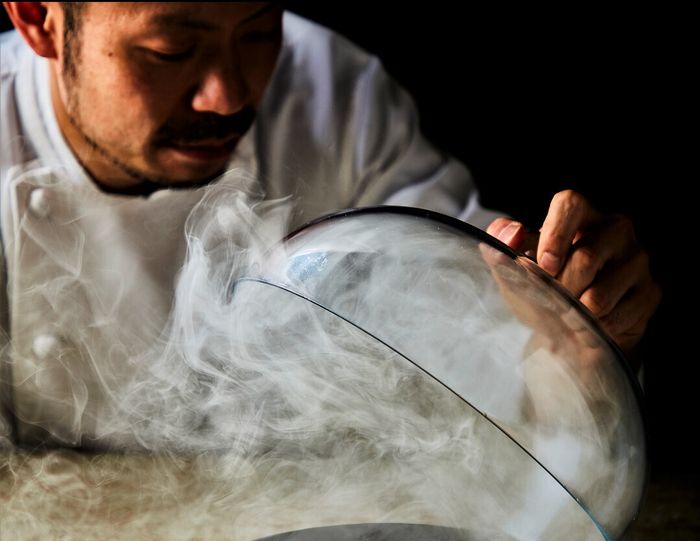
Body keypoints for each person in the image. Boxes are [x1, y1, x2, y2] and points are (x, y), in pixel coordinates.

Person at [0, 2, 660, 450]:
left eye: (258, 34)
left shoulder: (333, 97)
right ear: (38, 20)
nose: (229, 96)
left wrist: (575, 353)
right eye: (169, 51)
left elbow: (489, 355)